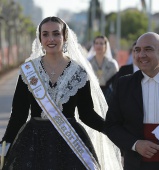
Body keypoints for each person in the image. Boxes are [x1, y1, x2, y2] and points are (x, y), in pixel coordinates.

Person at [0, 16, 122, 170]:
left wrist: (113, 129)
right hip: (34, 142)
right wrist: (5, 144)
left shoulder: (78, 72)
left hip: (71, 144)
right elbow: (19, 115)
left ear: (65, 36)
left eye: (56, 33)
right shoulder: (28, 71)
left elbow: (86, 114)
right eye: (45, 34)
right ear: (40, 38)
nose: (51, 38)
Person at [105, 32, 159, 170]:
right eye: (137, 50)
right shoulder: (124, 84)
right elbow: (111, 125)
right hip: (135, 164)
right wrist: (135, 144)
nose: (141, 55)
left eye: (148, 49)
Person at [87, 35, 119, 103]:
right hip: (91, 94)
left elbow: (116, 84)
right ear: (94, 45)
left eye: (101, 43)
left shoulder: (112, 64)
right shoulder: (87, 63)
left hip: (108, 96)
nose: (99, 46)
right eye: (96, 43)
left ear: (106, 46)